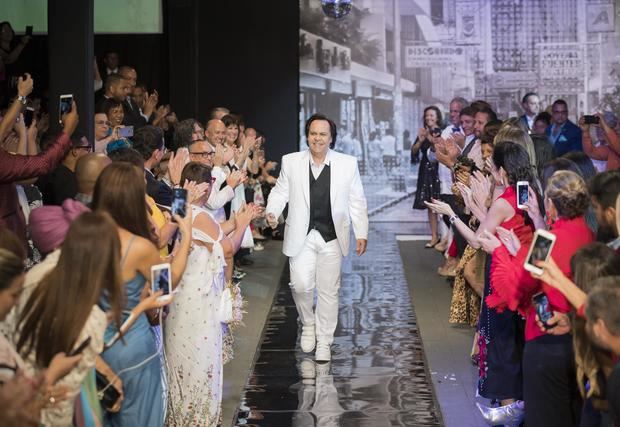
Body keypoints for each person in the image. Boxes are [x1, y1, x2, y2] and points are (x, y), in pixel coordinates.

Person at [92, 162, 191, 426]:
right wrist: (187, 234)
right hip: (133, 347)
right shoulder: (138, 247)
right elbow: (165, 285)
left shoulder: (84, 237)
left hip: (96, 349)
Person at [265, 114, 368, 362]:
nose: (317, 138)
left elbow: (357, 199)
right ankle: (308, 323)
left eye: (323, 134)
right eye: (313, 133)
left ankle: (324, 340)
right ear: (307, 135)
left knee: (328, 291)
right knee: (300, 285)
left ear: (331, 138)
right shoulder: (291, 162)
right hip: (301, 234)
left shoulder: (347, 164)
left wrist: (361, 231)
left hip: (332, 235)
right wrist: (272, 211)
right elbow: (280, 191)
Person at [164, 162, 260, 425]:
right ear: (206, 188)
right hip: (199, 304)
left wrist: (234, 222)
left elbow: (212, 236)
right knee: (200, 360)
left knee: (179, 357)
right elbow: (227, 249)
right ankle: (199, 419)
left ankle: (178, 416)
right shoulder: (201, 216)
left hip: (179, 300)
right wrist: (243, 225)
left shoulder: (181, 212)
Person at [411, 106, 443, 248]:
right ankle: (434, 236)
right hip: (425, 170)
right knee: (430, 204)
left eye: (431, 115)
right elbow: (414, 151)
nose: (428, 118)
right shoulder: (422, 132)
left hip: (439, 169)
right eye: (427, 116)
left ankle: (446, 235)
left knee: (441, 202)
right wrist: (420, 140)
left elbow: (440, 149)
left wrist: (430, 138)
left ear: (437, 117)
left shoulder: (442, 132)